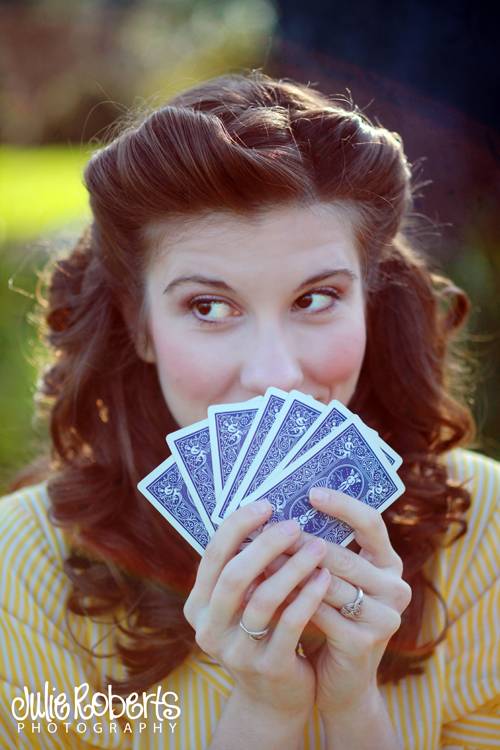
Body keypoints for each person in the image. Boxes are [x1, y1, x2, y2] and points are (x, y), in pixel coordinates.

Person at [0, 70, 498, 750]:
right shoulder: (19, 570)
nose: (275, 375)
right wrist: (264, 715)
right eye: (209, 307)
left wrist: (354, 708)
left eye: (315, 298)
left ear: (370, 304)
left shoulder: (485, 535)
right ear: (140, 325)